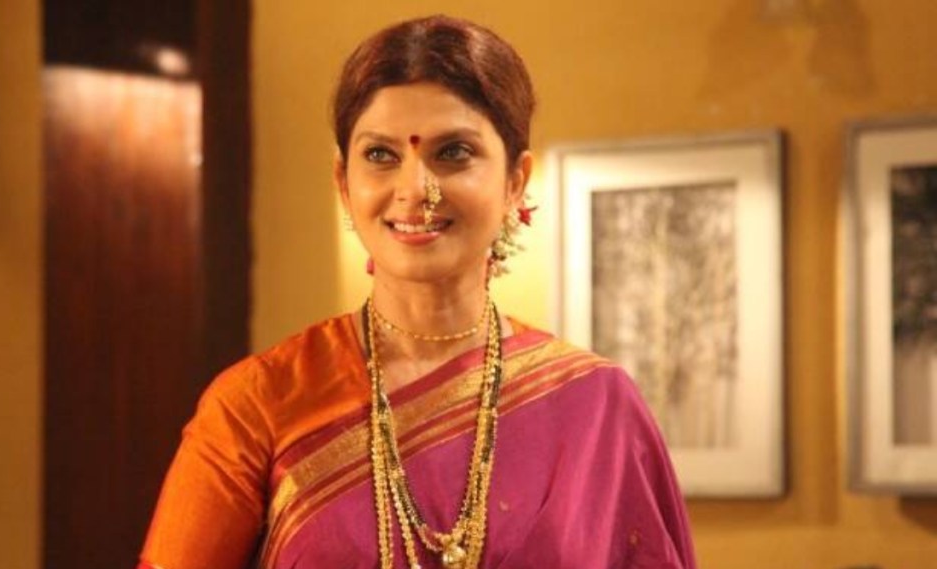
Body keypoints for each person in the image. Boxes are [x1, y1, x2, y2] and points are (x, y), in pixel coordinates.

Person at [138, 14, 696, 569]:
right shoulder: (259, 404)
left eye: (453, 152)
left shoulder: (597, 407)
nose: (415, 190)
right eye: (381, 156)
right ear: (343, 183)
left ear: (515, 182)